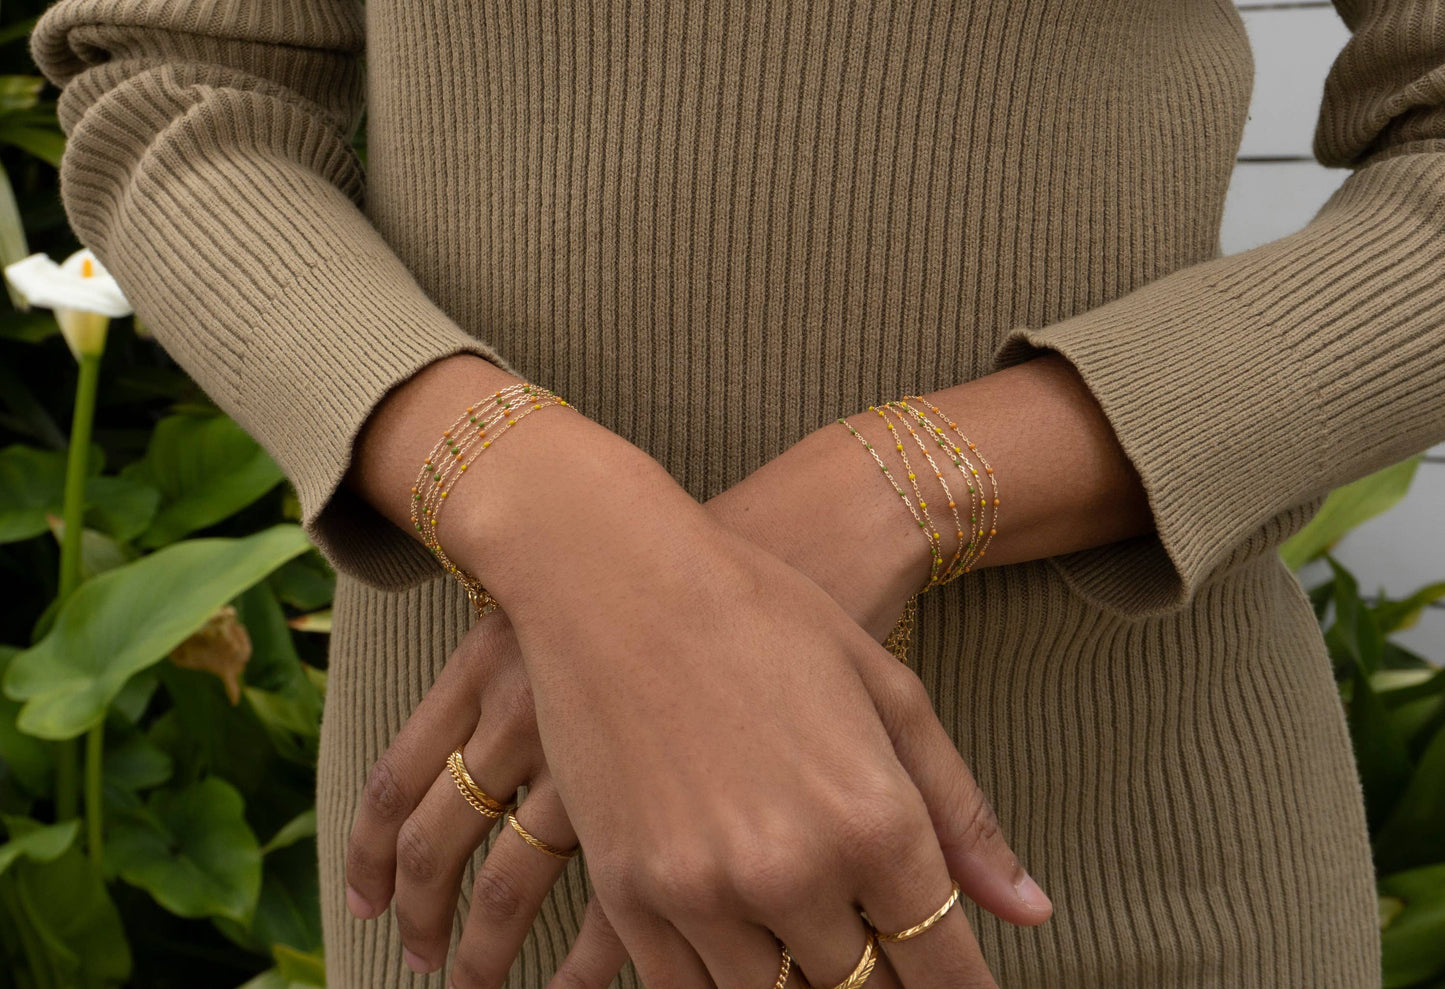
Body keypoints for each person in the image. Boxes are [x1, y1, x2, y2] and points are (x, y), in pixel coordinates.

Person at [29, 0, 1441, 984]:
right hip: (499, 881)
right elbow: (175, 81)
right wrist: (568, 535)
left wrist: (906, 487)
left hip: (1132, 873)